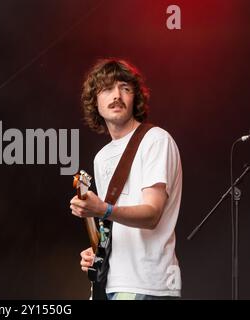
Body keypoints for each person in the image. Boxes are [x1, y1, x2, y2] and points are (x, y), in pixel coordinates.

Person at [70, 58, 182, 300]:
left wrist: (102, 208)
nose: (117, 95)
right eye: (107, 89)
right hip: (113, 281)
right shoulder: (102, 157)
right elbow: (113, 223)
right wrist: (97, 250)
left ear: (136, 98)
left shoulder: (155, 140)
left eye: (125, 88)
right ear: (95, 101)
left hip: (147, 282)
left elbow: (152, 214)